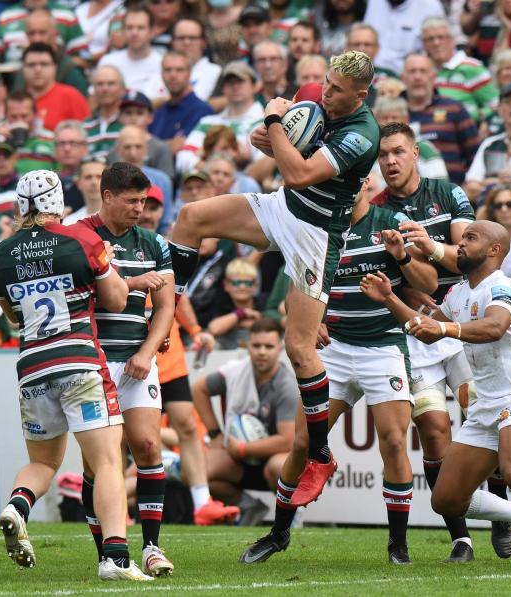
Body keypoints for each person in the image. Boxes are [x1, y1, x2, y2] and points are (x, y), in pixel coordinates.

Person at [171, 48, 379, 516]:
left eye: (337, 91)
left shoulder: (364, 135)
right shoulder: (315, 97)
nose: (325, 93)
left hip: (316, 234)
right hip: (281, 208)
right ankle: (168, 313)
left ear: (361, 95)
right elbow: (260, 142)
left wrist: (275, 123)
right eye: (324, 82)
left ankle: (321, 454)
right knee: (190, 218)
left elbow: (299, 171)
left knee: (299, 348)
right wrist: (271, 130)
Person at [360, 219, 511, 570]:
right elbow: (428, 332)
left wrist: (444, 326)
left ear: (494, 250)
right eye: (461, 238)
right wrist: (389, 299)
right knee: (446, 500)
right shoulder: (458, 293)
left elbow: (494, 327)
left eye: (470, 238)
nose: (460, 244)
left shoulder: (503, 287)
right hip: (485, 405)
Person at [240, 176, 436, 564]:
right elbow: (289, 301)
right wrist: (312, 321)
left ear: (366, 182)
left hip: (383, 346)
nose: (347, 188)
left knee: (395, 442)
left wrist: (401, 257)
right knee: (301, 444)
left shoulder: (392, 221)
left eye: (355, 181)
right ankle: (279, 533)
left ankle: (398, 545)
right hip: (333, 350)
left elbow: (430, 284)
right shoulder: (314, 227)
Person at [0, 170, 150, 581]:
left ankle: (17, 505)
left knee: (42, 462)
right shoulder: (82, 239)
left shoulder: (1, 252)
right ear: (56, 201)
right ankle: (115, 558)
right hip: (80, 361)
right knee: (107, 461)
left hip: (32, 368)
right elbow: (114, 300)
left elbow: (12, 314)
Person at [369, 123, 492, 562]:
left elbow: (468, 254)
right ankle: (461, 536)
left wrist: (428, 249)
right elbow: (380, 278)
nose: (390, 162)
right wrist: (404, 293)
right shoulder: (377, 208)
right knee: (435, 431)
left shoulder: (448, 194)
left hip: (461, 324)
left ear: (415, 153)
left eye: (398, 152)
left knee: (485, 414)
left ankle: (497, 508)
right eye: (383, 155)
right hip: (416, 331)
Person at [73, 162, 176, 577]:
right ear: (108, 196)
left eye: (145, 201)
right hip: (89, 361)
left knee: (148, 446)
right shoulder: (79, 237)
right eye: (132, 201)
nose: (140, 209)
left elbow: (168, 306)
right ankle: (108, 552)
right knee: (101, 462)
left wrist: (147, 352)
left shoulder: (154, 244)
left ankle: (151, 547)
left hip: (136, 361)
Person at [192, 317, 291, 524]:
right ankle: (248, 506)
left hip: (273, 461)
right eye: (256, 345)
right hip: (239, 459)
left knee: (278, 466)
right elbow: (198, 389)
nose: (262, 351)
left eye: (268, 346)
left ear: (280, 348)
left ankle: (291, 516)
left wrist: (245, 449)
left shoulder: (287, 386)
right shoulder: (236, 371)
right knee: (199, 470)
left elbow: (288, 441)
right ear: (248, 346)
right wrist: (215, 434)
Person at [400, 53, 480, 185]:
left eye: (423, 71)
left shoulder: (454, 109)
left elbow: (475, 155)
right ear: (403, 77)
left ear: (433, 76)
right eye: (412, 71)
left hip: (450, 194)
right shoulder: (391, 112)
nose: (418, 77)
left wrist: (467, 187)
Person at [175, 61, 263, 175]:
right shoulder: (207, 121)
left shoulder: (264, 121)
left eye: (240, 81)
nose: (235, 86)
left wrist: (206, 154)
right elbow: (182, 158)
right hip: (204, 182)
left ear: (254, 86)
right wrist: (210, 170)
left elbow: (261, 164)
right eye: (229, 82)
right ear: (223, 88)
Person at [421, 16, 498, 125]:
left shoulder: (472, 68)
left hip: (464, 133)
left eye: (441, 37)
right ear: (423, 44)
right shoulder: (419, 70)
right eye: (430, 39)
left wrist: (478, 117)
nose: (436, 43)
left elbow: (495, 104)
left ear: (452, 40)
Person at [150, 51, 213, 156]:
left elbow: (182, 148)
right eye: (167, 70)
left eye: (179, 70)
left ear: (189, 74)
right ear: (161, 74)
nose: (173, 75)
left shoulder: (202, 111)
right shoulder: (158, 112)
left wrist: (152, 147)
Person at [97, 7, 166, 101]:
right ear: (123, 31)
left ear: (151, 31)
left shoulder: (162, 63)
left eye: (140, 28)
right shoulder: (108, 62)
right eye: (129, 28)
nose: (134, 33)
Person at [21, 42, 91, 133]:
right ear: (23, 69)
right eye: (31, 65)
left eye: (44, 64)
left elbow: (86, 134)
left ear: (55, 67)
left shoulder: (70, 96)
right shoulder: (17, 99)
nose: (37, 70)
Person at [206, 258, 262, 350]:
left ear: (255, 285)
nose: (242, 287)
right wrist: (242, 313)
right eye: (236, 283)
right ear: (226, 285)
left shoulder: (264, 302)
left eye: (248, 283)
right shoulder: (221, 304)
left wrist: (233, 323)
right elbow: (214, 329)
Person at [171, 18, 221, 102]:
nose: (186, 42)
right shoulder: (159, 70)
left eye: (192, 38)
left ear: (204, 42)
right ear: (172, 42)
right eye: (181, 38)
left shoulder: (216, 72)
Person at [85, 65, 126, 159]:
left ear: (122, 90)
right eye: (100, 84)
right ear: (94, 90)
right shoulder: (84, 126)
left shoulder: (129, 124)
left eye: (111, 84)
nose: (105, 89)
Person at [63, 156, 107, 225]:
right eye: (88, 177)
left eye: (99, 177)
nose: (94, 182)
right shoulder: (69, 222)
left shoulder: (121, 217)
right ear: (78, 183)